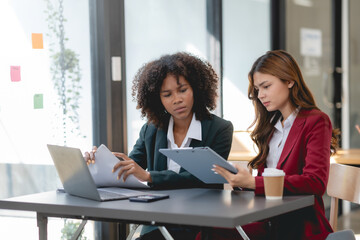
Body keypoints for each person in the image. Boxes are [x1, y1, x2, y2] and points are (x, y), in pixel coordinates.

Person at [85, 52, 233, 239]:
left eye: (182, 90)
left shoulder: (220, 128)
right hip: (158, 223)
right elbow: (131, 165)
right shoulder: (151, 129)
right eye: (167, 94)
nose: (176, 99)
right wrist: (99, 161)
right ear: (158, 99)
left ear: (196, 89)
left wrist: (149, 176)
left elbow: (204, 177)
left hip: (200, 223)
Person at [196, 50, 339, 240]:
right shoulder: (271, 127)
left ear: (289, 81)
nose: (261, 95)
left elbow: (315, 182)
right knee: (207, 232)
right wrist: (241, 182)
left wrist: (253, 182)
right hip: (271, 220)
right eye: (257, 89)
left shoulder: (316, 121)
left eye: (266, 86)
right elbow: (269, 185)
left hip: (299, 226)